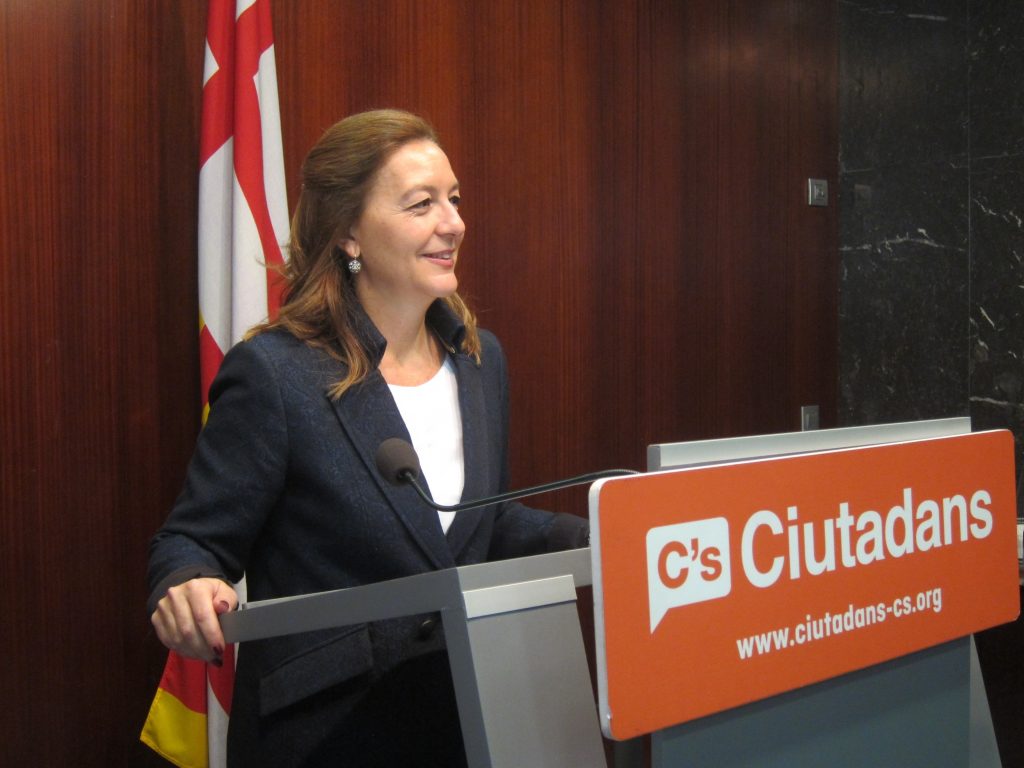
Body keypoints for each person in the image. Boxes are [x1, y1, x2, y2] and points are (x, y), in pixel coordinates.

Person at [147, 109, 588, 768]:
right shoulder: (276, 373)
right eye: (421, 204)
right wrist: (187, 582)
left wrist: (604, 533)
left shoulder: (478, 358)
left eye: (454, 199)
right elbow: (191, 541)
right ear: (348, 232)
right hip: (329, 736)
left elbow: (477, 525)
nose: (454, 223)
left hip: (469, 720)